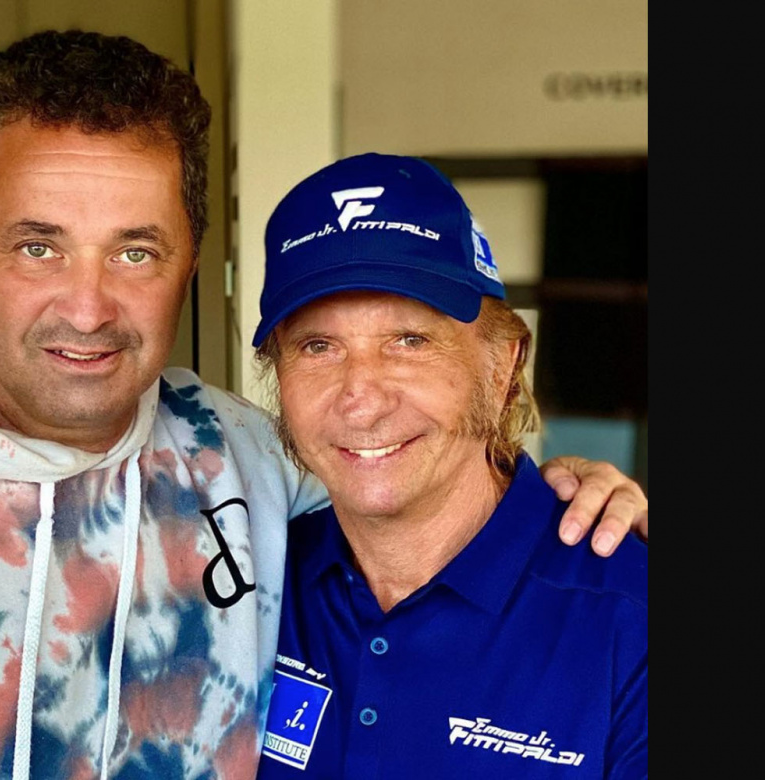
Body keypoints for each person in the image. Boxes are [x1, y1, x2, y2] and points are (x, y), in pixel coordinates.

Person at [0, 30, 648, 780]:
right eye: (39, 246)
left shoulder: (237, 461)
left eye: (136, 252)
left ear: (191, 260)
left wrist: (571, 493)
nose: (88, 308)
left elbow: (425, 482)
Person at [250, 154, 647, 778]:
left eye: (410, 341)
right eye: (318, 346)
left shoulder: (630, 616)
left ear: (503, 366)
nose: (362, 400)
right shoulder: (253, 583)